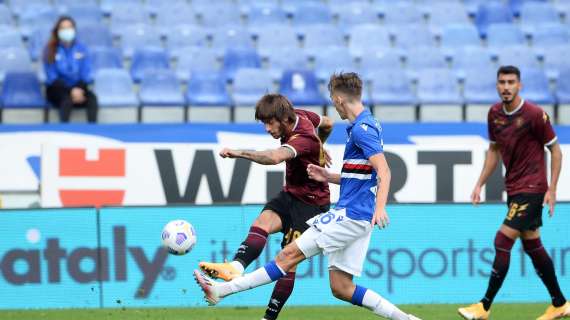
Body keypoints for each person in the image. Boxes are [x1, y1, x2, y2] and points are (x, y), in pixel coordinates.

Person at [195, 73, 421, 320]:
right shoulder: (367, 124)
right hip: (357, 214)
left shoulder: (361, 130)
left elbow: (384, 171)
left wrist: (380, 208)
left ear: (337, 98)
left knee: (286, 255)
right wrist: (328, 176)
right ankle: (408, 319)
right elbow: (361, 174)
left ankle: (220, 291)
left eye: (333, 101)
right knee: (342, 288)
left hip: (352, 215)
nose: (334, 107)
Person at [199, 93, 333, 320]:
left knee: (287, 263)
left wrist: (238, 153)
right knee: (262, 223)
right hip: (290, 194)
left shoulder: (303, 138)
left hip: (311, 206)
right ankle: (236, 268)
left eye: (269, 123)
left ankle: (269, 318)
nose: (267, 128)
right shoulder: (300, 115)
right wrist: (322, 146)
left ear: (283, 118)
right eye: (264, 123)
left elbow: (274, 157)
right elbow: (328, 123)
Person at [458, 66, 568, 320]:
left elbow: (556, 151)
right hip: (514, 188)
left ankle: (484, 306)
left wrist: (552, 189)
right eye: (502, 82)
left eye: (511, 82)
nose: (506, 86)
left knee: (502, 240)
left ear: (519, 85)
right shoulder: (494, 114)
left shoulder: (533, 114)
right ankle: (560, 303)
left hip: (533, 189)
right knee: (532, 245)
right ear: (497, 85)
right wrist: (479, 183)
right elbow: (494, 151)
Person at [44, 16, 98, 123]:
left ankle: (93, 130)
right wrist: (71, 91)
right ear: (58, 31)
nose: (66, 31)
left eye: (69, 27)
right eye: (63, 28)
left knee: (92, 99)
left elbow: (86, 73)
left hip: (79, 87)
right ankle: (64, 131)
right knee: (66, 99)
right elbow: (52, 76)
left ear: (74, 30)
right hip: (58, 88)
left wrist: (78, 89)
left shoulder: (82, 48)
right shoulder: (50, 50)